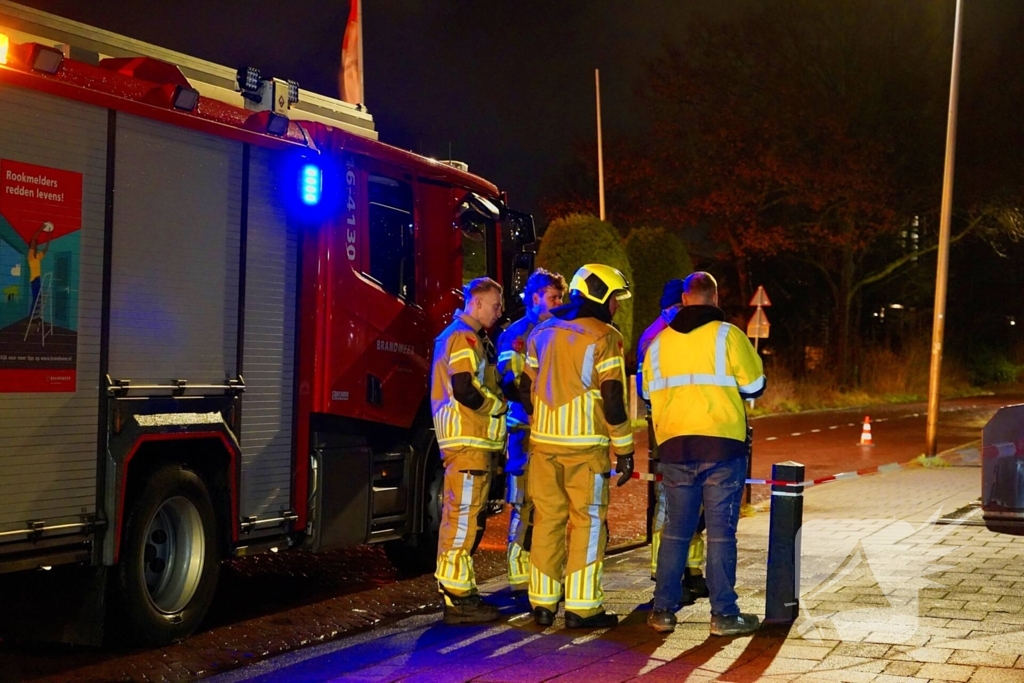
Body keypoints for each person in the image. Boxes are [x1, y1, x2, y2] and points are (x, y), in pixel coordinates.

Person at [643, 272, 765, 636]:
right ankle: (724, 615)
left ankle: (662, 612)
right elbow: (755, 385)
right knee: (721, 534)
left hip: (675, 447)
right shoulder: (729, 335)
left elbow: (648, 395)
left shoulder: (660, 343)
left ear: (683, 299)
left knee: (675, 532)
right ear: (714, 297)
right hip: (722, 446)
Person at [519, 264, 634, 629]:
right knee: (587, 523)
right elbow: (613, 397)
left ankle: (542, 603)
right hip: (586, 448)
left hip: (543, 445)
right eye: (614, 298)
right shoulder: (605, 337)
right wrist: (625, 448)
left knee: (548, 522)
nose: (616, 306)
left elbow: (525, 389)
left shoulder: (541, 331)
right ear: (600, 295)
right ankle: (583, 608)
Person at [431, 276, 508, 624]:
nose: (499, 311)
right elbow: (464, 387)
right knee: (461, 521)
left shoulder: (466, 336)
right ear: (475, 303)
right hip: (467, 441)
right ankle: (458, 598)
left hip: (468, 442)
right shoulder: (464, 336)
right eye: (494, 305)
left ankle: (461, 593)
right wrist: (496, 406)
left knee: (461, 518)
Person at [496, 268, 567, 597]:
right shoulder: (518, 334)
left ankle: (541, 568)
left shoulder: (557, 331)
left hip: (550, 430)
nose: (558, 302)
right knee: (524, 501)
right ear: (534, 297)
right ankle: (517, 566)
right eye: (553, 297)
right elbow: (509, 383)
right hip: (524, 428)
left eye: (560, 297)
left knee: (549, 503)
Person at [637, 279, 709, 602]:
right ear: (673, 306)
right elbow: (648, 392)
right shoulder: (657, 338)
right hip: (670, 434)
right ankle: (665, 573)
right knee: (669, 504)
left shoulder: (667, 333)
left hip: (683, 431)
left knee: (691, 505)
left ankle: (692, 570)